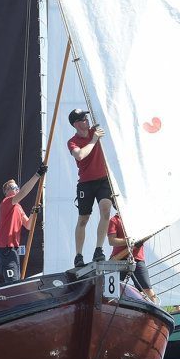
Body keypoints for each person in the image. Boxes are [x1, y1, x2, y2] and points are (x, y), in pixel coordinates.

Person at [67, 109, 113, 266]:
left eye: (86, 117)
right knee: (83, 219)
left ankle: (98, 249)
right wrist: (94, 140)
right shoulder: (72, 141)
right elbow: (80, 155)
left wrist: (95, 136)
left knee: (106, 210)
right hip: (86, 183)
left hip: (103, 180)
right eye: (82, 119)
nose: (86, 120)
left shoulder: (96, 131)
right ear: (76, 124)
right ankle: (78, 255)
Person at [0, 166, 45, 285]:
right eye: (13, 187)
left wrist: (33, 212)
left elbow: (28, 225)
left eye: (16, 187)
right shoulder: (6, 202)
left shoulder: (18, 207)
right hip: (5, 249)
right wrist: (37, 175)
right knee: (12, 282)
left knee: (15, 281)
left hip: (12, 250)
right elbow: (23, 192)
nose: (16, 188)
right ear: (6, 192)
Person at [107, 211, 157, 303]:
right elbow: (112, 241)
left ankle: (156, 313)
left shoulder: (137, 219)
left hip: (137, 259)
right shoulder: (114, 220)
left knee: (148, 290)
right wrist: (131, 240)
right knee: (111, 293)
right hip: (118, 260)